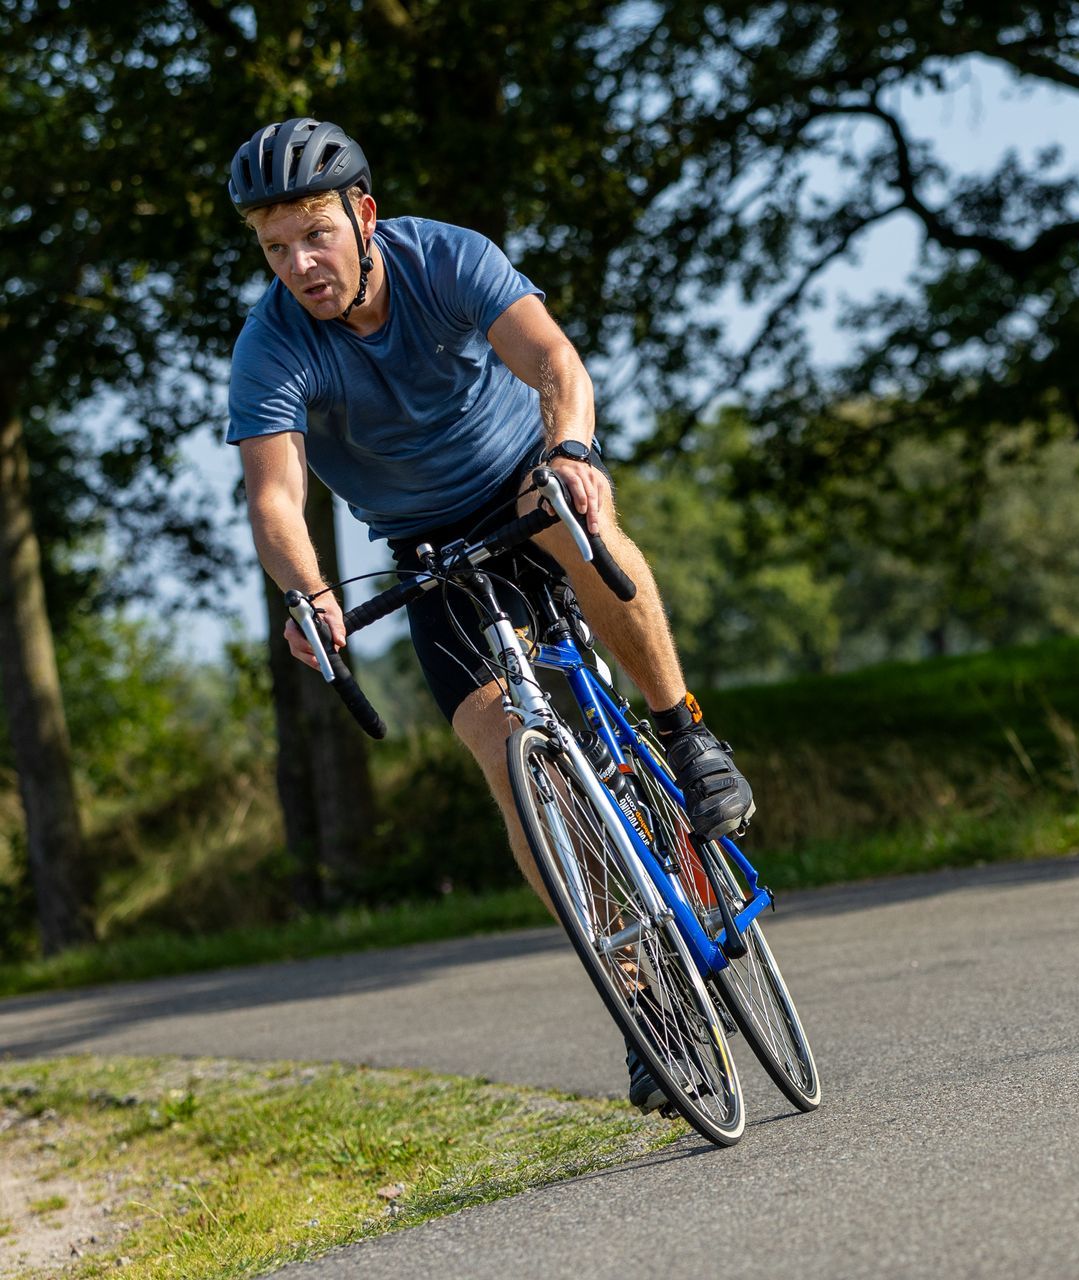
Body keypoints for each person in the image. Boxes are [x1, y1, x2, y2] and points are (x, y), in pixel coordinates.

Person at [224, 116, 750, 1114]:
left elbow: (553, 358)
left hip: (523, 477)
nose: (300, 262)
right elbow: (275, 499)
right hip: (424, 547)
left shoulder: (444, 257)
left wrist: (575, 451)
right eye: (275, 246)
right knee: (508, 761)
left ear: (363, 215)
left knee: (570, 522)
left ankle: (684, 734)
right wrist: (313, 595)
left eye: (315, 234)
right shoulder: (271, 345)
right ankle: (648, 1008)